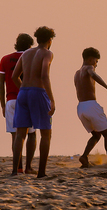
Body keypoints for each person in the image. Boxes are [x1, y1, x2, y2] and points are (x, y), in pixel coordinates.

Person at [11, 26, 56, 178]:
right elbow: (44, 75)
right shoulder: (47, 53)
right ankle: (41, 173)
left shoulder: (26, 53)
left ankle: (14, 171)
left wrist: (24, 89)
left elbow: (14, 76)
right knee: (46, 133)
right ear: (50, 40)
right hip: (38, 92)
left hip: (23, 93)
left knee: (20, 134)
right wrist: (51, 98)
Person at [74, 47, 107, 168]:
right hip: (91, 105)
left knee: (96, 135)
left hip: (81, 108)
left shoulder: (76, 73)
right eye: (96, 61)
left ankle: (84, 156)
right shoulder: (89, 68)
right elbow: (93, 74)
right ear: (90, 59)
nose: (96, 64)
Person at [0, 33, 37, 174]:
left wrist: (3, 104)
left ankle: (18, 168)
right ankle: (28, 167)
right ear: (30, 45)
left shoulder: (5, 59)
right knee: (32, 134)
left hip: (11, 100)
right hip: (28, 98)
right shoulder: (32, 58)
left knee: (16, 136)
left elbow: (0, 84)